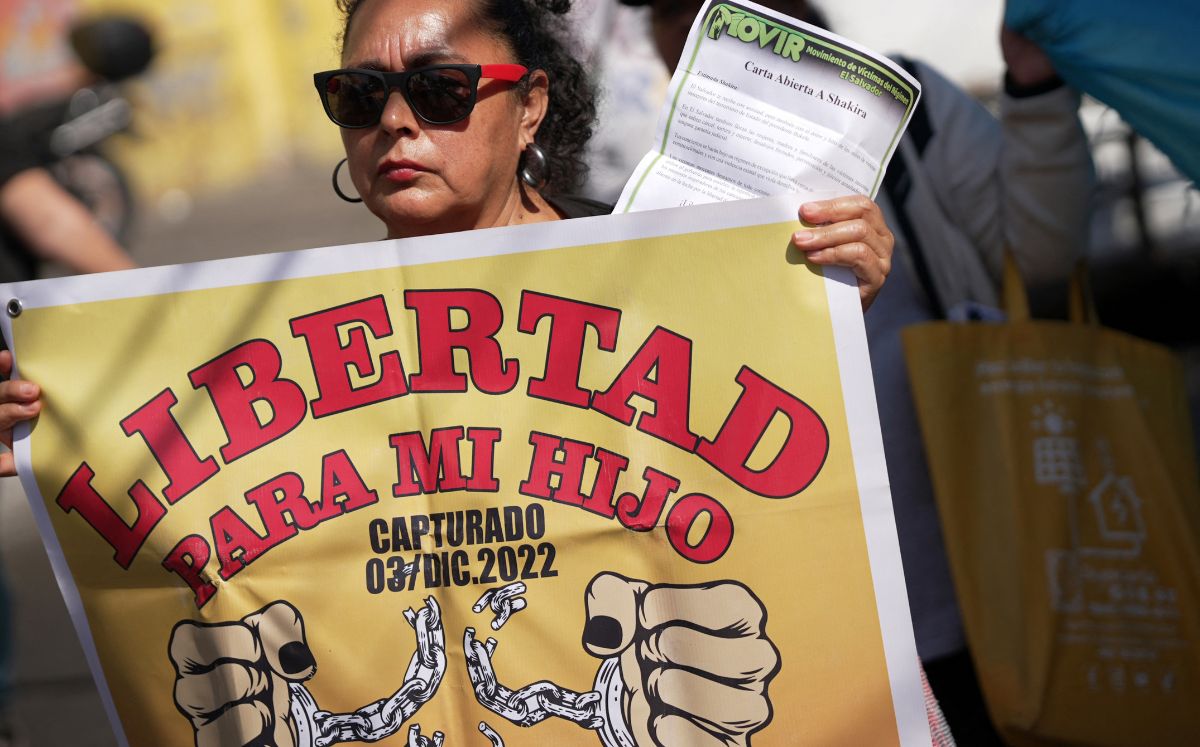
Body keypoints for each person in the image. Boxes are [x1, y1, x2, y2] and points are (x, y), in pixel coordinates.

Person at [0, 1, 896, 744]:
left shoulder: (671, 280)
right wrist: (44, 429)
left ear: (531, 105)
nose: (396, 121)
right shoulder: (258, 330)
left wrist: (822, 302)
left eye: (440, 90)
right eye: (359, 95)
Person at [619, 0, 1095, 743]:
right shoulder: (662, 179)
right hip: (817, 611)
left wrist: (1034, 87)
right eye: (667, 9)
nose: (689, 25)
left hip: (984, 564)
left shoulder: (912, 111)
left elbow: (1041, 248)